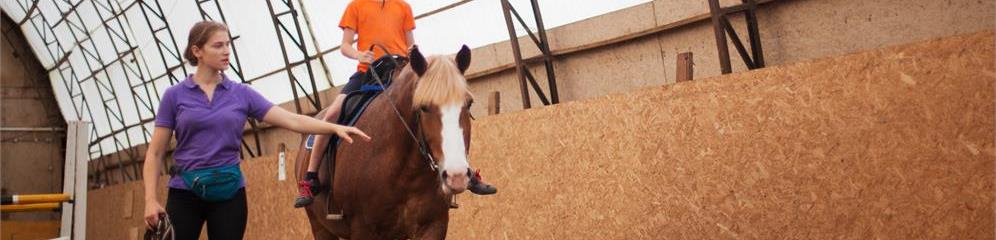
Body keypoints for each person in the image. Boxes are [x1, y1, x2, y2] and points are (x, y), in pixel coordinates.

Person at [142, 21, 371, 239]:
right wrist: (150, 200)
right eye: (218, 45)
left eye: (228, 44)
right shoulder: (175, 96)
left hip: (229, 194)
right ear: (197, 51)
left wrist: (333, 127)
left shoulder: (241, 93)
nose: (226, 51)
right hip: (184, 193)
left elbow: (292, 120)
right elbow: (154, 153)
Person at [295, 0, 496, 208]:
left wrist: (414, 56)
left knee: (439, 109)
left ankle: (464, 172)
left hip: (400, 71)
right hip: (367, 71)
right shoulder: (356, 6)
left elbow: (410, 44)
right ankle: (310, 177)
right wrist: (358, 54)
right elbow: (345, 46)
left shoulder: (403, 7)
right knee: (332, 113)